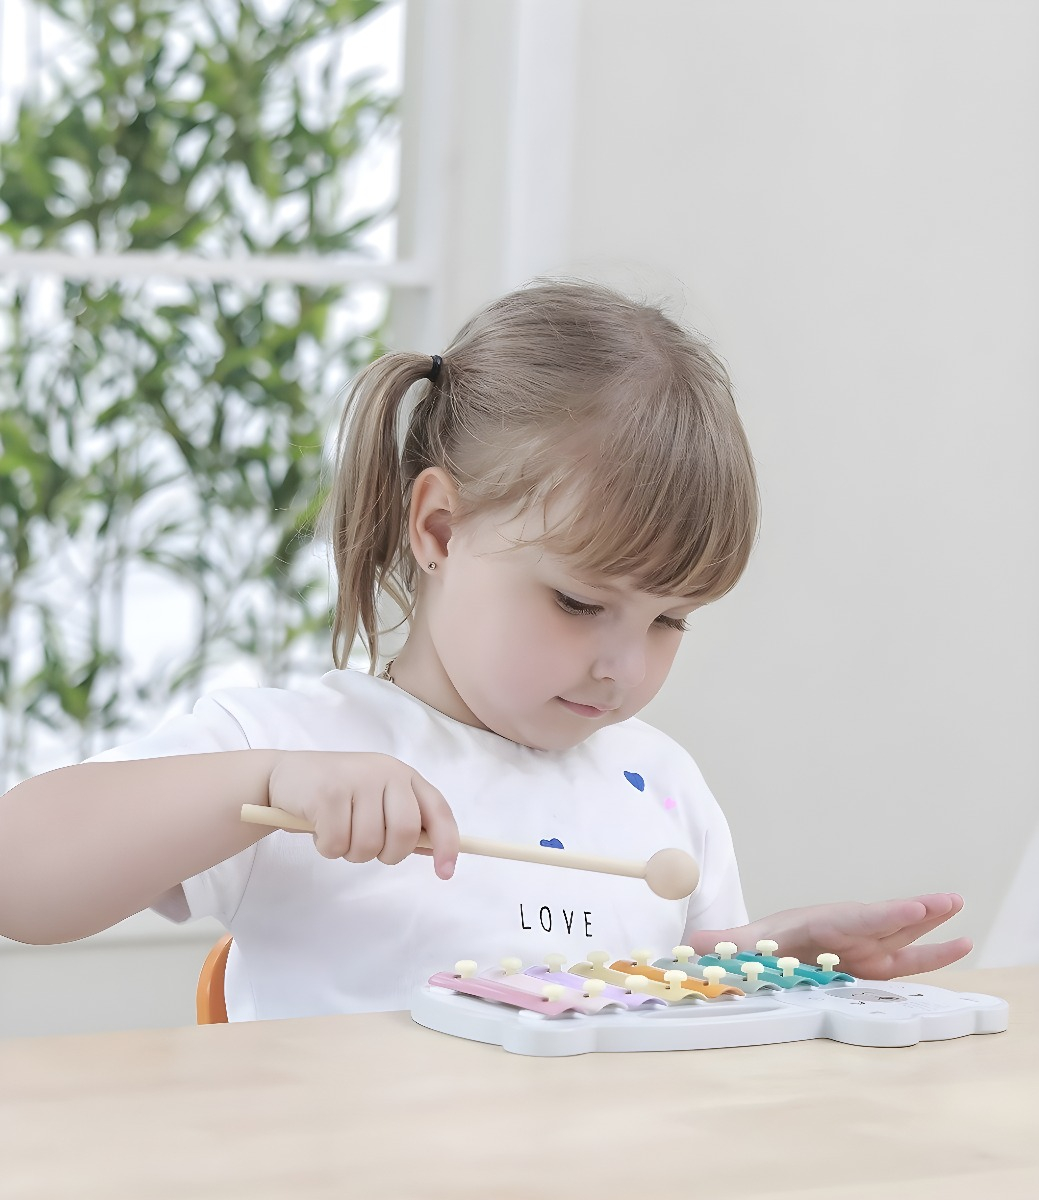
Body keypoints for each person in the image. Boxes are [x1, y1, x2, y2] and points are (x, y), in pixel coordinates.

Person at [0, 280, 970, 1020]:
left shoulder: (660, 787)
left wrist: (764, 958)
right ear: (439, 529)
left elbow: (660, 1013)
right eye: (579, 602)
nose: (621, 667)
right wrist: (261, 782)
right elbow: (20, 878)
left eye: (669, 621)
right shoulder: (298, 747)